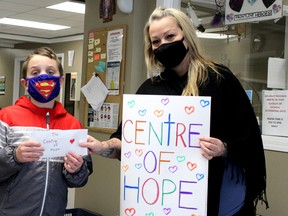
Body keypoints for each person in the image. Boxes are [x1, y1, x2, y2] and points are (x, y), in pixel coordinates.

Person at [81, 7, 268, 216]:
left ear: (186, 37)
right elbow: (127, 144)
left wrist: (223, 148)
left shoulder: (218, 79)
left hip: (220, 196)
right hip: (165, 200)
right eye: (156, 41)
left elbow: (248, 137)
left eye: (170, 36)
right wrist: (101, 146)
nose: (163, 45)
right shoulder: (149, 90)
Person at [0, 47, 93, 216]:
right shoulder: (6, 117)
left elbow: (80, 179)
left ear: (61, 80)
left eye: (51, 71)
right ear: (25, 83)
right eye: (35, 73)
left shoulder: (72, 124)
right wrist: (15, 157)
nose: (44, 77)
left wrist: (76, 170)